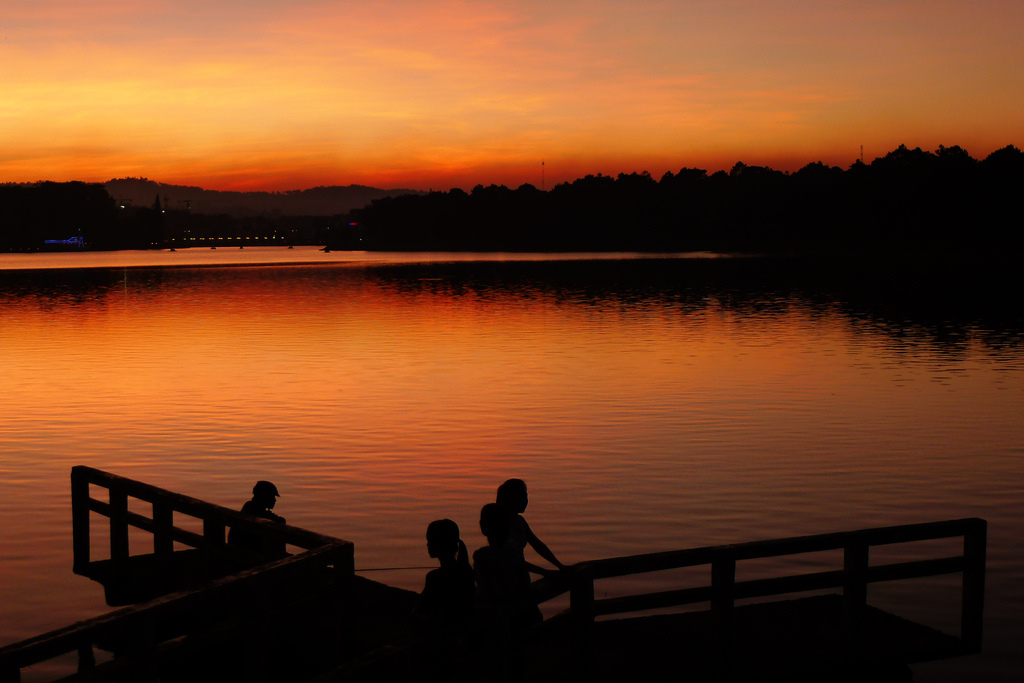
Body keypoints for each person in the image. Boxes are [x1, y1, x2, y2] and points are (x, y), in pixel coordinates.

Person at [496, 479, 566, 577]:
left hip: (521, 577)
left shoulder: (520, 521)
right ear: (512, 498)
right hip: (507, 579)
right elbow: (511, 560)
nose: (525, 500)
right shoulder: (501, 523)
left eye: (526, 496)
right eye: (522, 496)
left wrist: (560, 565)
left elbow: (537, 545)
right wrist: (545, 572)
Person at [416, 519, 475, 630]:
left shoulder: (435, 578)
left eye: (430, 540)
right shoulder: (467, 571)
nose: (427, 544)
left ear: (440, 544)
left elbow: (421, 609)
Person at [227, 480, 287, 557]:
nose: (275, 500)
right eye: (272, 496)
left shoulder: (248, 507)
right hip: (249, 554)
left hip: (238, 550)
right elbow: (280, 521)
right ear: (265, 497)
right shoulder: (257, 512)